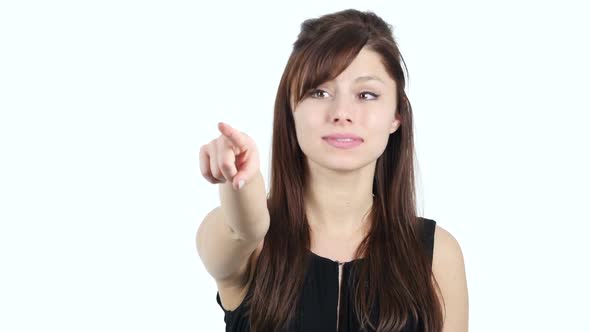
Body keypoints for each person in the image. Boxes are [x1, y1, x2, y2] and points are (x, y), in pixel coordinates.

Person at [197, 8, 468, 332]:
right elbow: (246, 228)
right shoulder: (248, 246)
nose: (342, 112)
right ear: (291, 109)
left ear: (397, 115)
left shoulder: (437, 256)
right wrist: (239, 174)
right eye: (319, 92)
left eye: (366, 94)